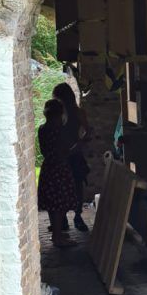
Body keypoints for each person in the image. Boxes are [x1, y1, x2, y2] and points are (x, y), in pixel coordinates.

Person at [37, 98, 77, 248]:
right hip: (59, 169)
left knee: (53, 204)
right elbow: (64, 151)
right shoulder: (58, 131)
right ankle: (58, 237)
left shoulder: (42, 129)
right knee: (59, 204)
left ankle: (57, 233)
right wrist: (80, 143)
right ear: (59, 114)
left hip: (48, 168)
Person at [52, 81, 90, 232]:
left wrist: (79, 144)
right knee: (62, 188)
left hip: (73, 154)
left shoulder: (78, 112)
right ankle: (63, 218)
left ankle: (77, 216)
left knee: (77, 186)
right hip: (62, 155)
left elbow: (88, 131)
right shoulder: (58, 114)